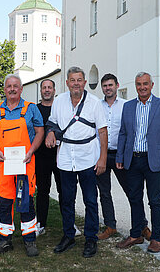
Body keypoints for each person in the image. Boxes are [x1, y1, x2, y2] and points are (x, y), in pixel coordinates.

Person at [45, 66, 108, 258]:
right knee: (67, 200)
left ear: (84, 82)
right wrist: (49, 133)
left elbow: (102, 130)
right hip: (65, 158)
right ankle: (69, 235)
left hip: (88, 156)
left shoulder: (95, 103)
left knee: (90, 200)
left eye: (79, 80)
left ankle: (91, 238)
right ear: (67, 83)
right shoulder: (59, 101)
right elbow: (53, 123)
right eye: (72, 80)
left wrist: (103, 158)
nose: (76, 84)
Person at [0, 74, 44, 257]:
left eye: (15, 86)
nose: (12, 89)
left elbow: (40, 131)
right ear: (4, 89)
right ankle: (5, 240)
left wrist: (31, 151)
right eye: (8, 86)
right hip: (4, 165)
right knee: (4, 201)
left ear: (21, 88)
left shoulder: (31, 109)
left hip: (26, 163)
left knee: (26, 200)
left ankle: (29, 239)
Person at [116, 72, 160, 253]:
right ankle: (136, 234)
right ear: (135, 86)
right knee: (134, 198)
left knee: (155, 200)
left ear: (152, 85)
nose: (142, 87)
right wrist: (120, 157)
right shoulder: (128, 107)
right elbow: (123, 133)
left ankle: (156, 238)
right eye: (139, 84)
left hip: (154, 160)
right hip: (133, 160)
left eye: (145, 84)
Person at [96, 74, 151, 241]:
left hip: (122, 156)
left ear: (117, 85)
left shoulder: (127, 106)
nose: (108, 88)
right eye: (105, 86)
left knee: (132, 192)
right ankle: (110, 226)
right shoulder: (97, 106)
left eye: (110, 85)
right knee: (104, 192)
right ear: (102, 88)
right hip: (102, 155)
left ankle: (142, 226)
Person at [34, 79, 63, 237]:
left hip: (60, 156)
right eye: (44, 88)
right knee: (43, 191)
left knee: (64, 191)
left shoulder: (60, 108)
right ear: (41, 91)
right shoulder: (35, 109)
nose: (46, 90)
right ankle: (41, 223)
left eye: (49, 88)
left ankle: (68, 222)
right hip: (41, 157)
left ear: (54, 90)